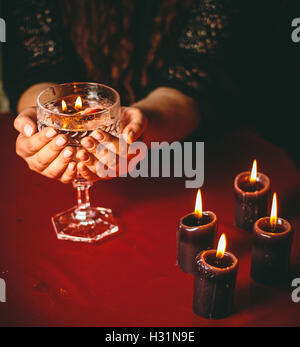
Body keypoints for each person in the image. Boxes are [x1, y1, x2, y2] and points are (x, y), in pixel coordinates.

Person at [3, 0, 200, 183]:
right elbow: (32, 66)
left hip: (190, 161)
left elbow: (197, 76)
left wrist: (140, 128)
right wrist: (37, 116)